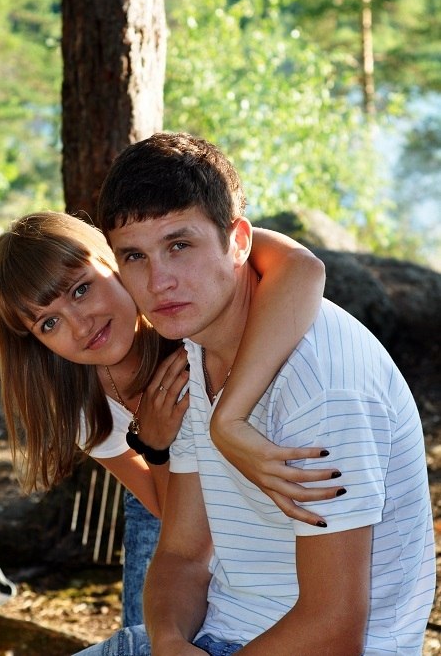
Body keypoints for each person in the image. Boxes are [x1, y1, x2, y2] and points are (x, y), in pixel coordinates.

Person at [75, 131, 435, 655]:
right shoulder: (197, 346)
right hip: (221, 634)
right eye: (135, 256)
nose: (159, 281)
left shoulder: (319, 385)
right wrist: (171, 642)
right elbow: (182, 554)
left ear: (239, 242)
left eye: (179, 246)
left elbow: (334, 628)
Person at [0, 211, 341, 625]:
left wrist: (226, 420)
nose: (80, 327)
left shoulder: (182, 290)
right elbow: (174, 524)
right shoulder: (84, 406)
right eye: (49, 323)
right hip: (169, 498)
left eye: (81, 290)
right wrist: (153, 447)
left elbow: (303, 267)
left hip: (259, 476)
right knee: (150, 627)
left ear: (112, 258)